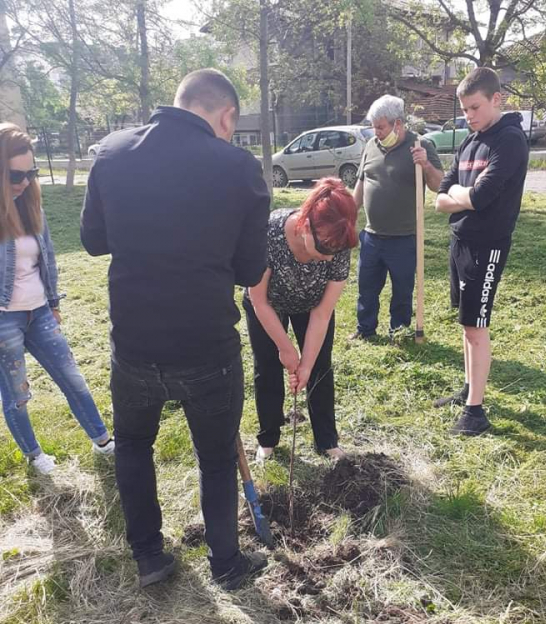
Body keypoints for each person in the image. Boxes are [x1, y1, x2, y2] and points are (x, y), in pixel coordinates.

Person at [80, 69, 271, 590]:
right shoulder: (238, 167)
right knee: (214, 459)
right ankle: (227, 564)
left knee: (134, 446)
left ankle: (149, 556)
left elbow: (93, 240)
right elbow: (252, 271)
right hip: (206, 342)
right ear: (226, 115)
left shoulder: (113, 153)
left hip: (135, 340)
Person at [0, 124, 113, 475]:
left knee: (72, 377)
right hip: (5, 320)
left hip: (39, 312)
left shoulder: (30, 204)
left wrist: (53, 303)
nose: (25, 182)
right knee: (17, 394)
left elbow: (46, 256)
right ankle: (34, 455)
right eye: (16, 175)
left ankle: (103, 441)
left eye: (31, 173)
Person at [435, 67, 529, 435]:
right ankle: (468, 387)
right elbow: (442, 195)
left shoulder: (509, 140)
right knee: (466, 322)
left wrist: (463, 196)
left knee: (477, 325)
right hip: (460, 240)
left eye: (475, 107)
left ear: (496, 99)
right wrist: (463, 198)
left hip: (487, 245)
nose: (469, 116)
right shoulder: (469, 141)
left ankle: (475, 413)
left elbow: (480, 196)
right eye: (465, 110)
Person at [244, 178, 358, 462]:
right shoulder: (269, 233)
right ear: (306, 227)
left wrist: (304, 364)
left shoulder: (338, 243)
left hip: (311, 305)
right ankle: (268, 439)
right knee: (268, 366)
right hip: (268, 305)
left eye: (334, 255)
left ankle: (327, 441)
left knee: (320, 367)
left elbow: (322, 313)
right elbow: (259, 300)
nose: (329, 260)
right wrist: (286, 348)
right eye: (322, 253)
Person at [350, 95, 443, 343]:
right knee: (366, 288)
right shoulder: (370, 147)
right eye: (374, 127)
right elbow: (361, 185)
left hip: (404, 238)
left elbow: (438, 185)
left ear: (398, 124)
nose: (376, 132)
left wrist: (425, 165)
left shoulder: (421, 146)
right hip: (371, 236)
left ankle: (398, 331)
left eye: (381, 127)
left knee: (402, 291)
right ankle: (365, 328)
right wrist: (347, 216)